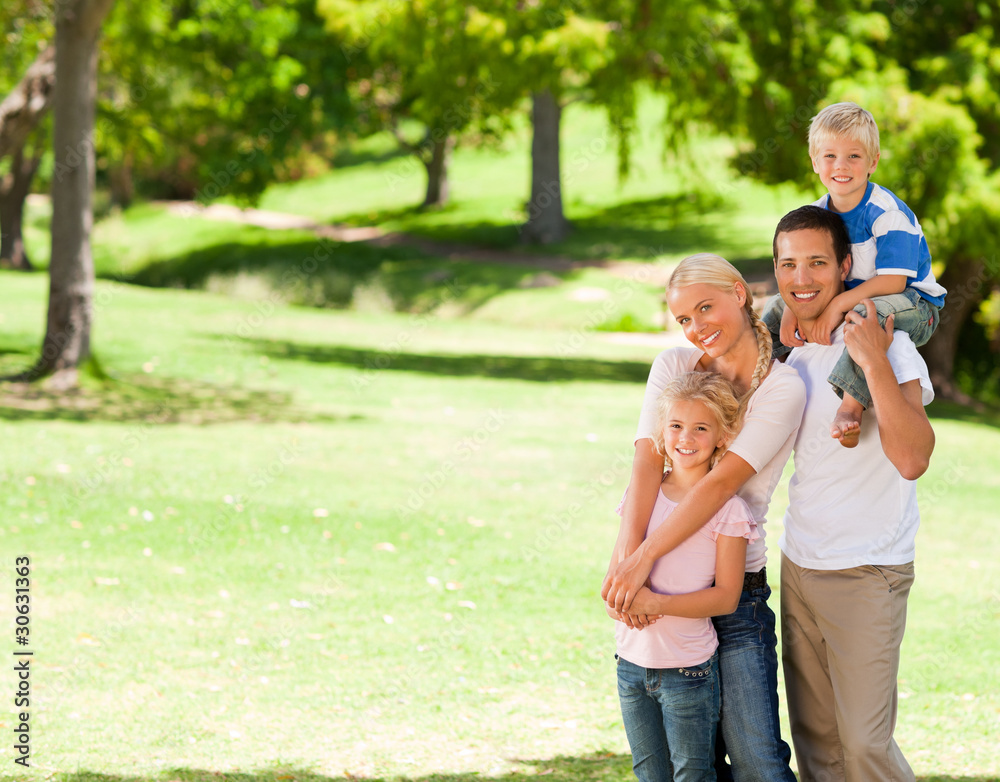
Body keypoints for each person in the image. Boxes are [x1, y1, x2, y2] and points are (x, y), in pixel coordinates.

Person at [603, 253, 803, 782]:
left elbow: (720, 485)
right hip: (656, 590)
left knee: (757, 763)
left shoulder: (784, 387)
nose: (696, 328)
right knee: (687, 766)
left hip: (733, 599)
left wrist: (642, 557)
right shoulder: (673, 367)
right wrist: (627, 565)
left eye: (706, 308)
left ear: (740, 293)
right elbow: (648, 459)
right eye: (684, 319)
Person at [772, 205, 935, 781]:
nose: (802, 278)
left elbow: (913, 457)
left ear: (846, 266)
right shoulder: (790, 350)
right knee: (819, 748)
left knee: (865, 747)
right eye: (788, 264)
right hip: (799, 565)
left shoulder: (886, 341)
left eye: (817, 262)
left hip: (869, 569)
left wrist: (871, 359)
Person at [761, 102, 946, 447]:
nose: (840, 166)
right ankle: (750, 377)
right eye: (829, 156)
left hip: (914, 305)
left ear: (873, 161)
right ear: (815, 162)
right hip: (862, 297)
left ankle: (851, 405)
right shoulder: (817, 213)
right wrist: (791, 310)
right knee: (772, 306)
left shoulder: (887, 214)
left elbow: (894, 282)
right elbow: (800, 276)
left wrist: (836, 307)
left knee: (864, 316)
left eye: (854, 157)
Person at [609, 372, 759, 782]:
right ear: (661, 431)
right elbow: (614, 579)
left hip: (687, 671)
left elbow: (726, 597)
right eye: (675, 425)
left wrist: (654, 604)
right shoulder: (641, 494)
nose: (685, 437)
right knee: (648, 773)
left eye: (700, 428)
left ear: (723, 436)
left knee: (693, 774)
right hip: (630, 664)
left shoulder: (729, 512)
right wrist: (621, 603)